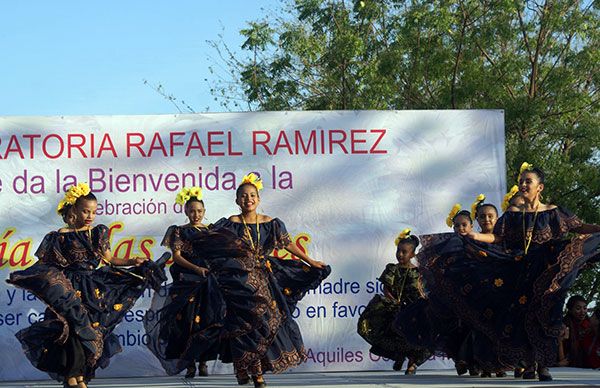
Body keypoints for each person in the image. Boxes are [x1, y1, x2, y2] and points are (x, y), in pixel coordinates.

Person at [432, 162, 600, 381]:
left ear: (539, 187)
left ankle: (543, 365)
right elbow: (498, 238)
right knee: (523, 315)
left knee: (547, 313)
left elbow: (579, 227)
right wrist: (475, 236)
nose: (522, 184)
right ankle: (530, 364)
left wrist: (598, 228)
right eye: (521, 181)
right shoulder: (512, 213)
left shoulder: (553, 212)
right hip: (519, 267)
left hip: (547, 268)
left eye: (527, 181)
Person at [6, 183, 165, 388]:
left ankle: (80, 375)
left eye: (94, 211)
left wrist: (133, 260)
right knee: (69, 329)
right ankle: (71, 376)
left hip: (92, 288)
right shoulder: (59, 236)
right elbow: (47, 264)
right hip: (67, 288)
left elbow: (109, 259)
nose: (90, 215)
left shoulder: (98, 233)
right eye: (85, 211)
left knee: (88, 331)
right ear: (74, 210)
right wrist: (31, 278)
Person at [202, 173, 331, 388]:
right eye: (243, 196)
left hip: (263, 279)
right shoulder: (230, 223)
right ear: (237, 200)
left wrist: (309, 260)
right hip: (238, 283)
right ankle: (249, 370)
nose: (248, 199)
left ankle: (258, 371)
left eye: (252, 195)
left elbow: (288, 244)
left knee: (266, 323)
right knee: (242, 326)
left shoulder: (271, 223)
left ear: (258, 199)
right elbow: (212, 242)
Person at [145, 187, 224, 378]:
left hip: (208, 281)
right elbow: (177, 257)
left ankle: (203, 362)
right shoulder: (179, 231)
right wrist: (196, 269)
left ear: (204, 212)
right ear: (186, 212)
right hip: (187, 281)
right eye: (191, 211)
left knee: (207, 320)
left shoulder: (212, 230)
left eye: (199, 211)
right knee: (185, 323)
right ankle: (188, 364)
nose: (195, 214)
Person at [357, 229, 431, 374]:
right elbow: (387, 288)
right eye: (398, 251)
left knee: (420, 336)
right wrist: (393, 302)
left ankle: (412, 363)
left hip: (413, 309)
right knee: (383, 331)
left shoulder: (418, 272)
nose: (400, 255)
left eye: (404, 252)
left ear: (413, 254)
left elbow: (422, 291)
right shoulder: (392, 269)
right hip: (394, 306)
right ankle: (399, 356)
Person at [560, 295, 592, 367]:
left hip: (589, 364)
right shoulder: (564, 325)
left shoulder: (590, 325)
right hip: (569, 363)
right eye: (578, 308)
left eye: (585, 308)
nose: (582, 311)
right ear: (570, 310)